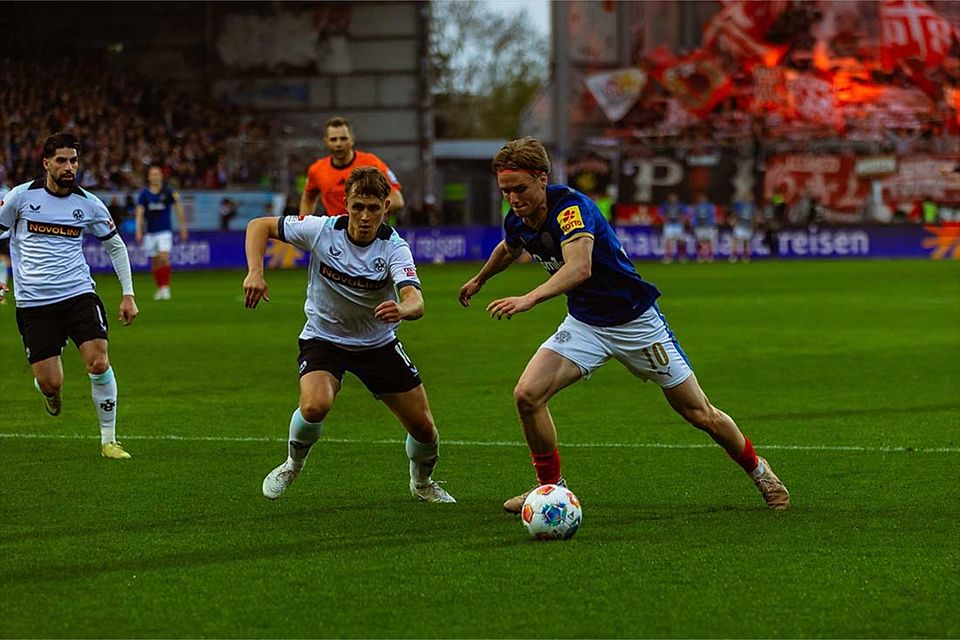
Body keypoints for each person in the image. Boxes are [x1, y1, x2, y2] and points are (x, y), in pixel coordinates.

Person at [457, 137, 789, 514]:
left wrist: (529, 298)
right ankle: (550, 489)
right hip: (585, 325)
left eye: (519, 188)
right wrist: (481, 279)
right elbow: (509, 247)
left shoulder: (572, 210)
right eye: (505, 191)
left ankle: (762, 473)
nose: (513, 198)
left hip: (636, 323)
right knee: (527, 395)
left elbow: (580, 268)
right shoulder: (517, 216)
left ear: (542, 179)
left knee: (701, 414)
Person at [243, 166, 455, 504]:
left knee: (425, 430)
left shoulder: (393, 248)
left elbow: (416, 301)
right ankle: (291, 465)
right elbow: (259, 226)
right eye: (358, 207)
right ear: (346, 204)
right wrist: (255, 272)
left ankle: (422, 482)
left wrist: (402, 309)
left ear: (386, 207)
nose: (365, 216)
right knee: (315, 405)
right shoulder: (321, 230)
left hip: (378, 344)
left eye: (373, 208)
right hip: (324, 338)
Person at [0, 132, 139, 459]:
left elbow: (115, 246)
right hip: (34, 304)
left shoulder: (88, 203)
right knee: (51, 382)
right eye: (61, 160)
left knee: (98, 360)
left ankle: (109, 440)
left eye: (73, 160)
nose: (69, 167)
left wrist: (128, 294)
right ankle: (49, 392)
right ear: (46, 163)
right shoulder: (20, 197)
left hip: (78, 294)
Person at [300, 116, 404, 221]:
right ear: (326, 142)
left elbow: (397, 201)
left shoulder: (372, 163)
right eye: (333, 139)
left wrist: (365, 212)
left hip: (368, 229)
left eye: (343, 138)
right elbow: (308, 197)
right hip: (336, 232)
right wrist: (304, 225)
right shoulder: (317, 170)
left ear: (352, 140)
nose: (338, 144)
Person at [135, 164, 188, 300]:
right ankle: (160, 287)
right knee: (155, 261)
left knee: (164, 257)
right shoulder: (144, 194)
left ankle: (165, 288)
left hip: (164, 231)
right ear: (148, 177)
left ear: (161, 176)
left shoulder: (168, 192)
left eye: (157, 174)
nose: (155, 177)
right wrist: (139, 231)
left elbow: (178, 208)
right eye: (152, 174)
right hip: (150, 232)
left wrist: (183, 227)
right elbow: (140, 213)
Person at [659, 192, 688, 263]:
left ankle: (682, 256)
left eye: (674, 197)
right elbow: (661, 213)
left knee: (681, 240)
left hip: (678, 224)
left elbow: (686, 213)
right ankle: (668, 256)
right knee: (667, 240)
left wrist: (682, 219)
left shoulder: (680, 205)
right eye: (671, 197)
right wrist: (665, 218)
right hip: (669, 224)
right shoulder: (666, 205)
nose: (673, 199)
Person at [730, 194, 757, 263]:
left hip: (748, 226)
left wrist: (753, 226)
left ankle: (745, 256)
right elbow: (735, 213)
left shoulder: (753, 207)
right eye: (749, 197)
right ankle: (733, 255)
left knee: (746, 241)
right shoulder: (740, 205)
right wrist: (734, 222)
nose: (750, 198)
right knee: (736, 240)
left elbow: (753, 218)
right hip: (740, 225)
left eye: (751, 197)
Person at [691, 192, 717, 263]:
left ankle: (710, 255)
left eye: (703, 198)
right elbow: (694, 217)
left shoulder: (710, 206)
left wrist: (713, 224)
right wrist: (693, 224)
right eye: (700, 198)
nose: (702, 199)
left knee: (709, 241)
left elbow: (712, 216)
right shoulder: (696, 207)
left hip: (708, 226)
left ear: (706, 199)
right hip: (699, 227)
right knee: (699, 242)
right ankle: (700, 255)